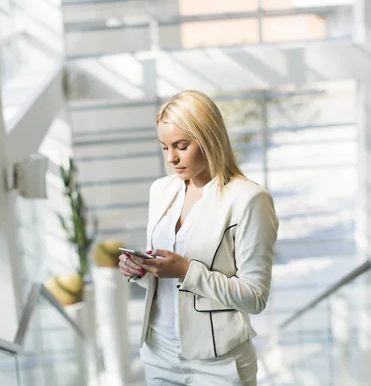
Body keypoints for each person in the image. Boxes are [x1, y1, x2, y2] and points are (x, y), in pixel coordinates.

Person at [119, 90, 279, 386]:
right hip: (159, 351)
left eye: (181, 146)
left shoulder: (249, 199)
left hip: (219, 361)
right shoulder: (161, 190)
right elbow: (162, 281)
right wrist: (140, 270)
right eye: (164, 147)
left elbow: (255, 298)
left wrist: (184, 270)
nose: (172, 158)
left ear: (209, 138)